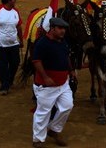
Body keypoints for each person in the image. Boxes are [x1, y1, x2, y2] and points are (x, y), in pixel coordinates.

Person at [32, 17, 74, 148]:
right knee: (43, 112)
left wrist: (71, 70)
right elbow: (36, 61)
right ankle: (38, 139)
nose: (63, 31)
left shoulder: (62, 41)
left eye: (64, 29)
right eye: (60, 29)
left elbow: (66, 56)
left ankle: (54, 130)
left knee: (67, 106)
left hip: (63, 83)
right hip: (46, 86)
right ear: (53, 28)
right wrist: (45, 77)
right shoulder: (42, 43)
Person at [0, 0, 23, 95]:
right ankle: (4, 87)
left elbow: (18, 26)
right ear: (9, 0)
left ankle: (8, 81)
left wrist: (21, 40)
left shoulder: (16, 12)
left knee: (15, 63)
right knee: (3, 65)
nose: (15, 1)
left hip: (13, 43)